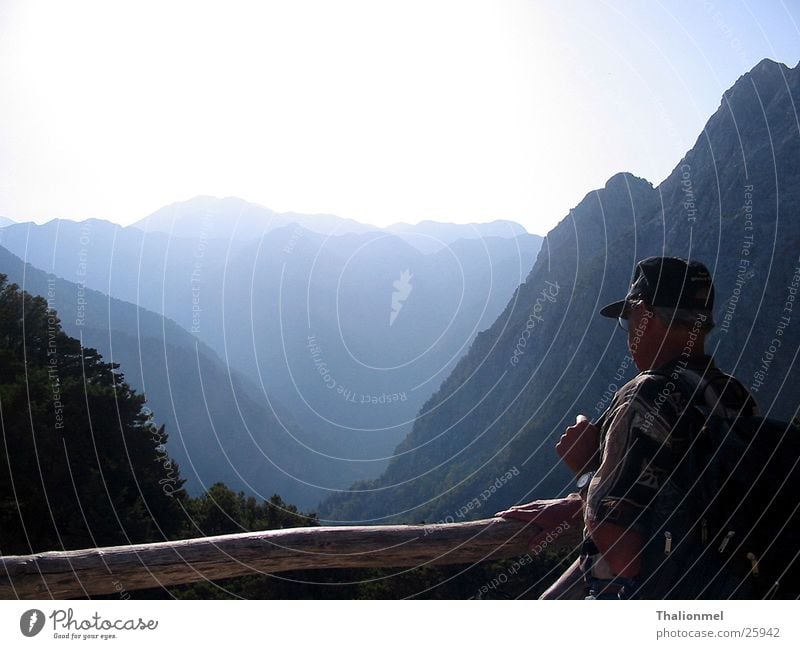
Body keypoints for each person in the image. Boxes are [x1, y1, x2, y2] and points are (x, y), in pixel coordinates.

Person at [496, 256, 758, 599]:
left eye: (627, 318)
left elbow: (624, 555)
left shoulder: (643, 397)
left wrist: (588, 469)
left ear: (645, 317)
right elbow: (687, 494)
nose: (628, 330)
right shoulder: (733, 394)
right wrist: (580, 503)